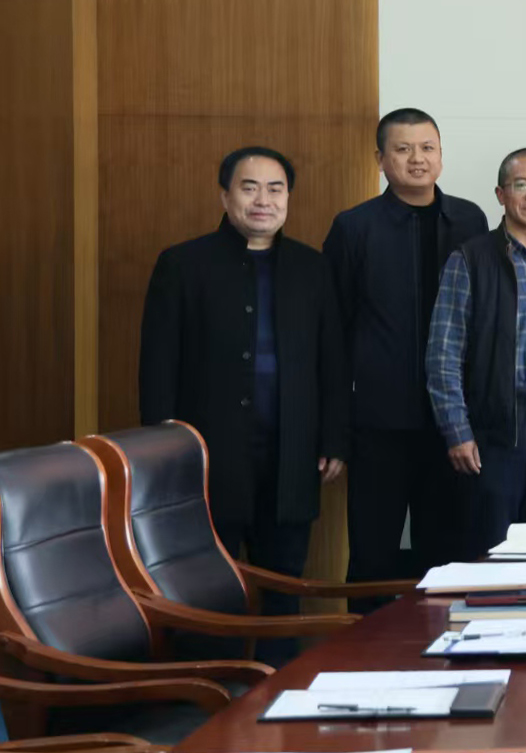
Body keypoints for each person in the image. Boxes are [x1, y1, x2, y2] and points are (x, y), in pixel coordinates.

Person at [139, 147, 347, 594]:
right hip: (205, 458)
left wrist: (334, 439)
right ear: (225, 196)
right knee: (205, 591)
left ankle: (279, 647)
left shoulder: (312, 268)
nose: (263, 200)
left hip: (291, 456)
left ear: (288, 198)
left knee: (284, 586)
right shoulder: (182, 265)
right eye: (249, 188)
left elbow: (331, 363)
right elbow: (157, 367)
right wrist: (161, 449)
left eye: (275, 189)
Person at [323, 108, 488, 588]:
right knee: (372, 556)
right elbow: (332, 334)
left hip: (453, 424)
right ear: (380, 159)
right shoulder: (354, 227)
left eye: (427, 148)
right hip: (380, 424)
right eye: (403, 149)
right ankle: (368, 637)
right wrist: (336, 432)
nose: (417, 159)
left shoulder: (470, 220)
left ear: (440, 155)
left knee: (449, 555)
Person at [426, 148, 526, 551]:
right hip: (496, 422)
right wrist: (457, 432)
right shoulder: (470, 259)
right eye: (521, 185)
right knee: (492, 546)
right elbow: (443, 357)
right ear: (500, 194)